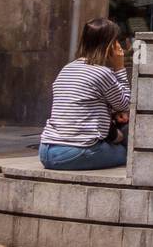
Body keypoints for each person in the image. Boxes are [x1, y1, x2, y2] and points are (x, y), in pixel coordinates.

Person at [39, 18, 131, 171]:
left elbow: (84, 104)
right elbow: (125, 104)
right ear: (109, 45)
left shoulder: (67, 68)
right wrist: (120, 68)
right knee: (128, 153)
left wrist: (112, 113)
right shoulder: (103, 73)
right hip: (74, 152)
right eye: (116, 42)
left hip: (45, 151)